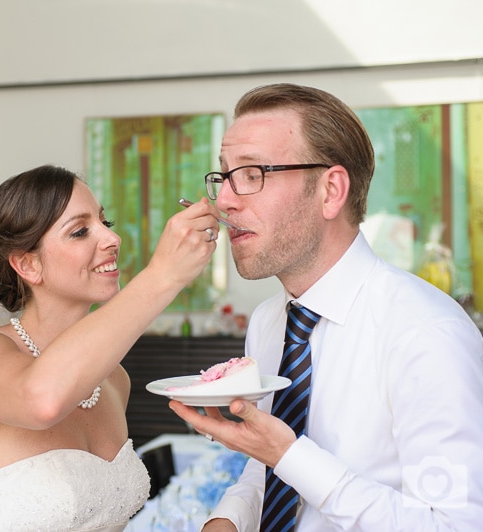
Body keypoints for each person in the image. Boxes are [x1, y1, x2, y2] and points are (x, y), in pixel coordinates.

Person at [169, 83, 483, 531]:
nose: (223, 201)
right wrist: (229, 519)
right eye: (224, 175)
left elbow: (456, 525)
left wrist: (289, 453)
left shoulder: (426, 333)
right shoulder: (269, 320)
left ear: (331, 190)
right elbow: (271, 471)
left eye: (253, 173)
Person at [0, 164, 221, 531]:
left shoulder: (113, 379)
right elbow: (42, 401)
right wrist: (163, 276)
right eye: (80, 231)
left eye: (104, 224)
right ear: (27, 264)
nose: (112, 240)